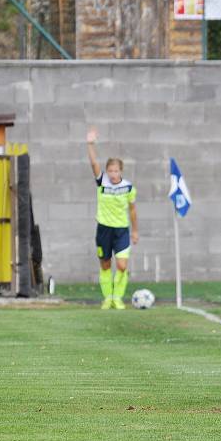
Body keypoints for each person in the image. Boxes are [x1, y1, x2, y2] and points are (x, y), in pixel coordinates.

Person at [86, 128, 138, 310]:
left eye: (116, 171)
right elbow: (93, 163)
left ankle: (118, 297)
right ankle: (107, 297)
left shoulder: (128, 187)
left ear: (121, 171)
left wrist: (136, 231)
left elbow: (132, 210)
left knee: (122, 265)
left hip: (122, 230)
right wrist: (90, 144)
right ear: (107, 172)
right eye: (110, 171)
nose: (113, 174)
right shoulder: (102, 183)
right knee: (106, 265)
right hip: (104, 229)